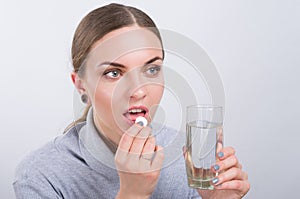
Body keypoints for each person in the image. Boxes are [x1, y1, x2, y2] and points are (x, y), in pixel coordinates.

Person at [13, 3, 250, 199]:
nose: (138, 91)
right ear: (80, 84)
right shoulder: (39, 176)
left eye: (151, 69)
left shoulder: (186, 161)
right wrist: (132, 194)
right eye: (114, 73)